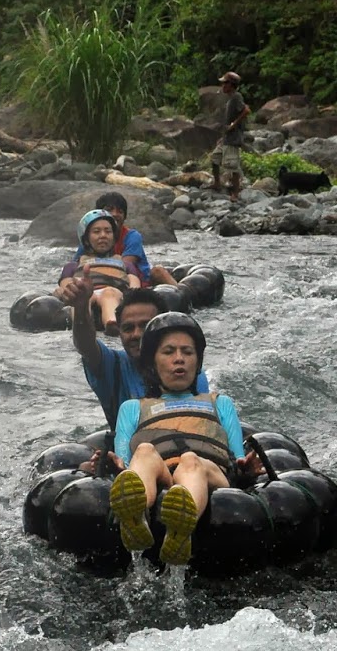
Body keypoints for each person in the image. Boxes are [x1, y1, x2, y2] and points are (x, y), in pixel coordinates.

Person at [106, 313, 262, 567]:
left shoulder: (219, 403)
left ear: (197, 361)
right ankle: (136, 517)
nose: (179, 358)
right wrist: (112, 465)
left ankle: (180, 531)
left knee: (191, 461)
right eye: (168, 351)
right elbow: (124, 461)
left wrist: (247, 471)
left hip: (211, 473)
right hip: (164, 474)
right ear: (152, 363)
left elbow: (236, 457)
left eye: (187, 352)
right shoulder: (133, 407)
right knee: (144, 451)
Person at [65, 285, 211, 426]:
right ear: (119, 333)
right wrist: (81, 307)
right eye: (128, 328)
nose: (137, 334)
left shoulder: (190, 373)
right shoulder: (112, 367)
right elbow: (86, 345)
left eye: (145, 325)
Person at [57, 209, 141, 334]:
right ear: (86, 239)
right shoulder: (73, 266)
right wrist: (67, 293)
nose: (103, 235)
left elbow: (135, 285)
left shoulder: (126, 264)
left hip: (114, 293)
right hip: (85, 295)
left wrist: (132, 299)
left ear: (114, 237)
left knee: (108, 293)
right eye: (96, 232)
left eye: (108, 231)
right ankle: (81, 326)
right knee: (83, 298)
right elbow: (67, 286)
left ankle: (112, 323)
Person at [71, 191, 176, 287]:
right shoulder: (90, 239)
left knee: (158, 271)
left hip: (136, 281)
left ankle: (181, 291)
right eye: (109, 210)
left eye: (120, 211)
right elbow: (76, 265)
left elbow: (124, 267)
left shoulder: (132, 236)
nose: (115, 214)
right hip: (102, 281)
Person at [211, 72, 250, 201]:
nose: (222, 85)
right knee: (215, 158)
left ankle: (235, 194)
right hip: (227, 137)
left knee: (233, 166)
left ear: (231, 85)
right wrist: (223, 136)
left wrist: (234, 125)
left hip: (233, 139)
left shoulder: (237, 97)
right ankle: (217, 184)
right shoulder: (231, 98)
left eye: (225, 83)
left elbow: (246, 110)